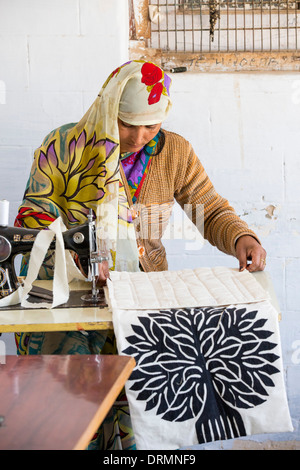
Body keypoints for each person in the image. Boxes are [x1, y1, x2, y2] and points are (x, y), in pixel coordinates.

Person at [14, 60, 266, 449]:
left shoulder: (174, 152)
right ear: (107, 107)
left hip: (138, 296)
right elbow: (34, 214)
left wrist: (240, 238)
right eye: (127, 123)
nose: (138, 136)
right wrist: (69, 251)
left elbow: (209, 206)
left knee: (139, 404)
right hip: (68, 298)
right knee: (69, 406)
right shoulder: (64, 147)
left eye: (151, 125)